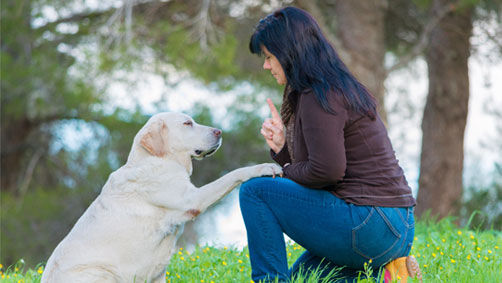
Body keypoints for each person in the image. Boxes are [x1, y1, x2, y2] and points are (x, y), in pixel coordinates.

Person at [239, 6, 422, 283]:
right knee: (304, 279)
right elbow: (322, 171)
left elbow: (326, 173)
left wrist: (285, 168)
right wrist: (282, 151)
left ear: (288, 53)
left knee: (255, 191)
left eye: (269, 57)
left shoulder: (319, 95)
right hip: (394, 226)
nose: (266, 65)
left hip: (371, 222)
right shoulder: (332, 86)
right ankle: (389, 273)